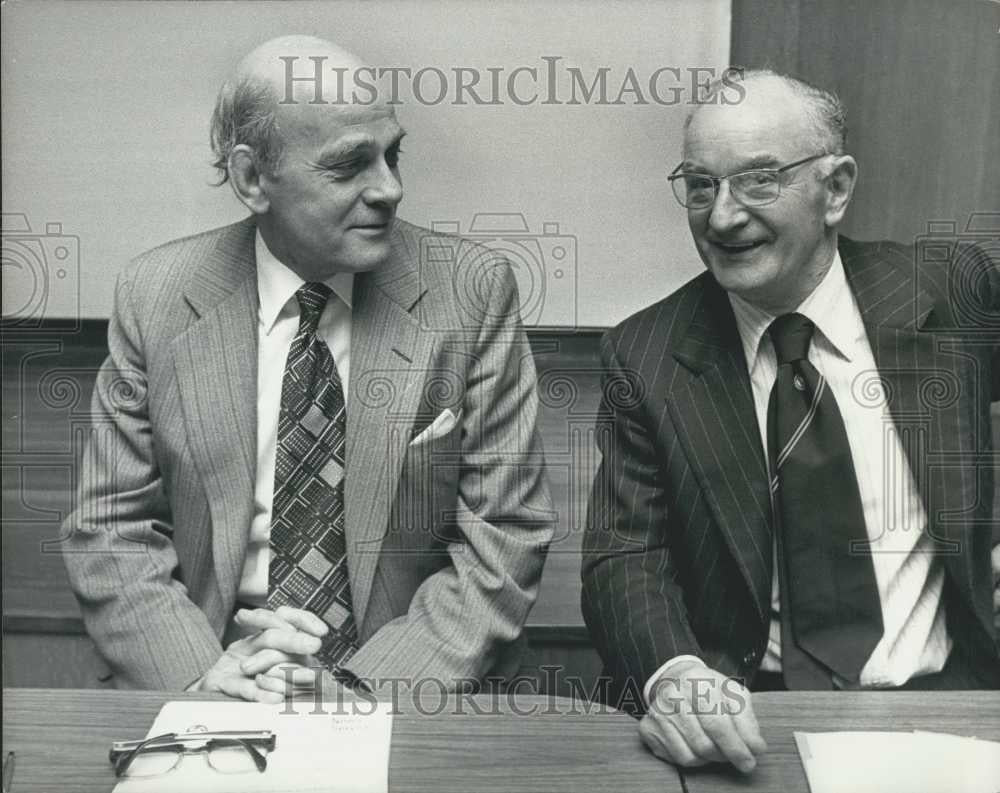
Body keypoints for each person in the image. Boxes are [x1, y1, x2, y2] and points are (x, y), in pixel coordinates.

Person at [62, 35, 553, 701]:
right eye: (350, 165)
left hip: (415, 688)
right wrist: (202, 677)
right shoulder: (156, 297)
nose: (391, 188)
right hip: (220, 678)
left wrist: (361, 691)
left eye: (392, 154)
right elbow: (111, 531)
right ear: (251, 179)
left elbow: (504, 536)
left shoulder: (472, 291)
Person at [581, 70, 1000, 773]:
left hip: (952, 702)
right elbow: (625, 556)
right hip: (752, 713)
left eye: (758, 181)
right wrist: (675, 673)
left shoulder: (947, 292)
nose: (721, 217)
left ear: (835, 189)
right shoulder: (646, 354)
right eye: (700, 185)